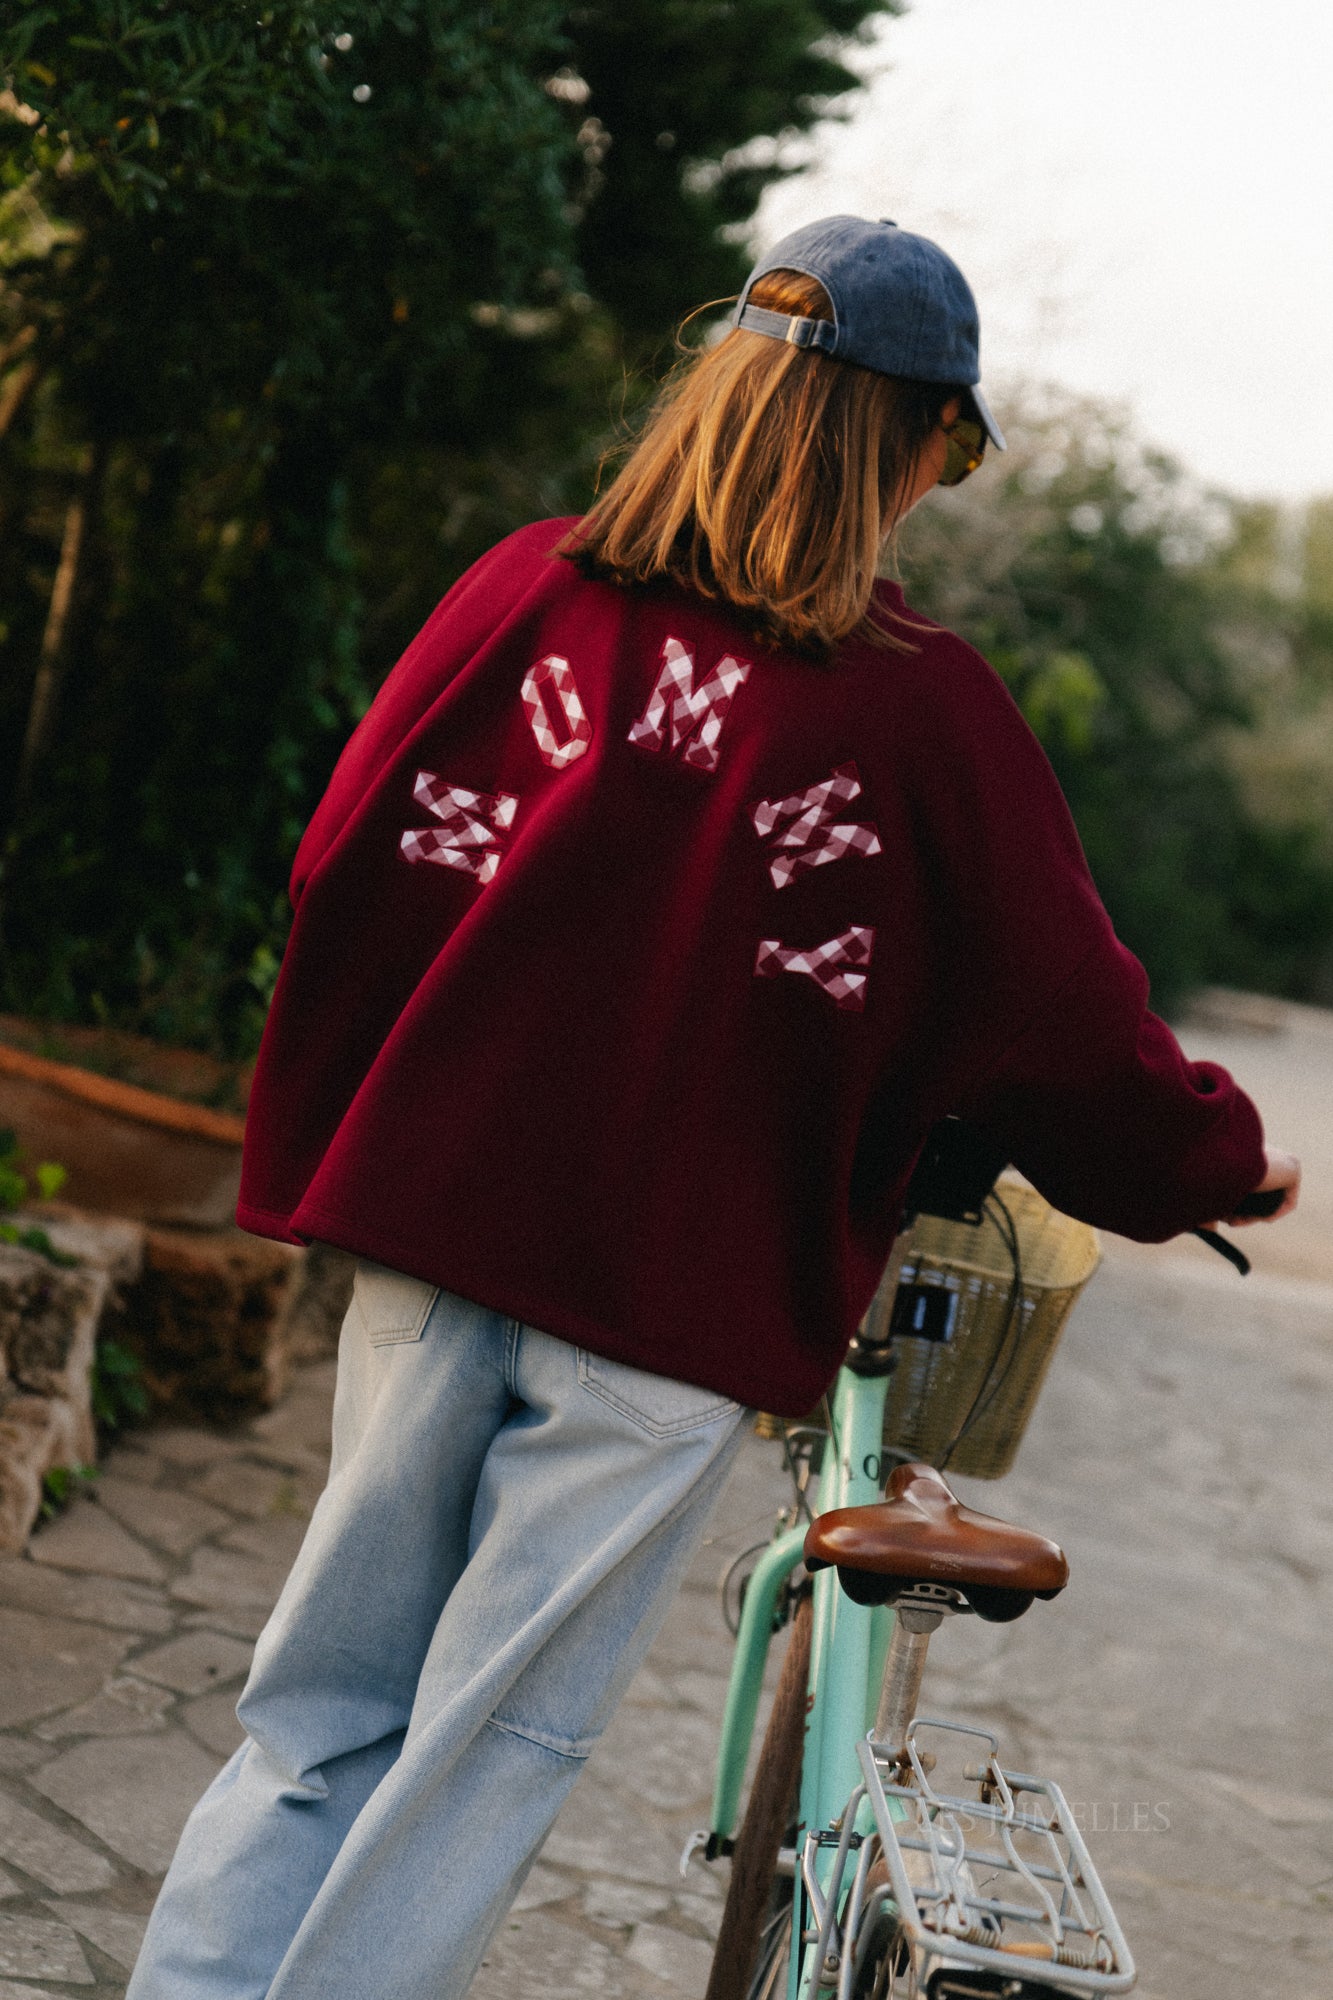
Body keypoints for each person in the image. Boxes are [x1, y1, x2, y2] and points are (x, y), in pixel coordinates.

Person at [126, 215, 1299, 2000]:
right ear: (903, 442)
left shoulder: (525, 591)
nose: (940, 483)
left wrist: (404, 1093)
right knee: (479, 1752)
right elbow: (1068, 1027)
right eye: (948, 445)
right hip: (659, 1317)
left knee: (317, 1710)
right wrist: (1214, 1161)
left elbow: (340, 863)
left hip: (429, 1241)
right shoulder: (926, 722)